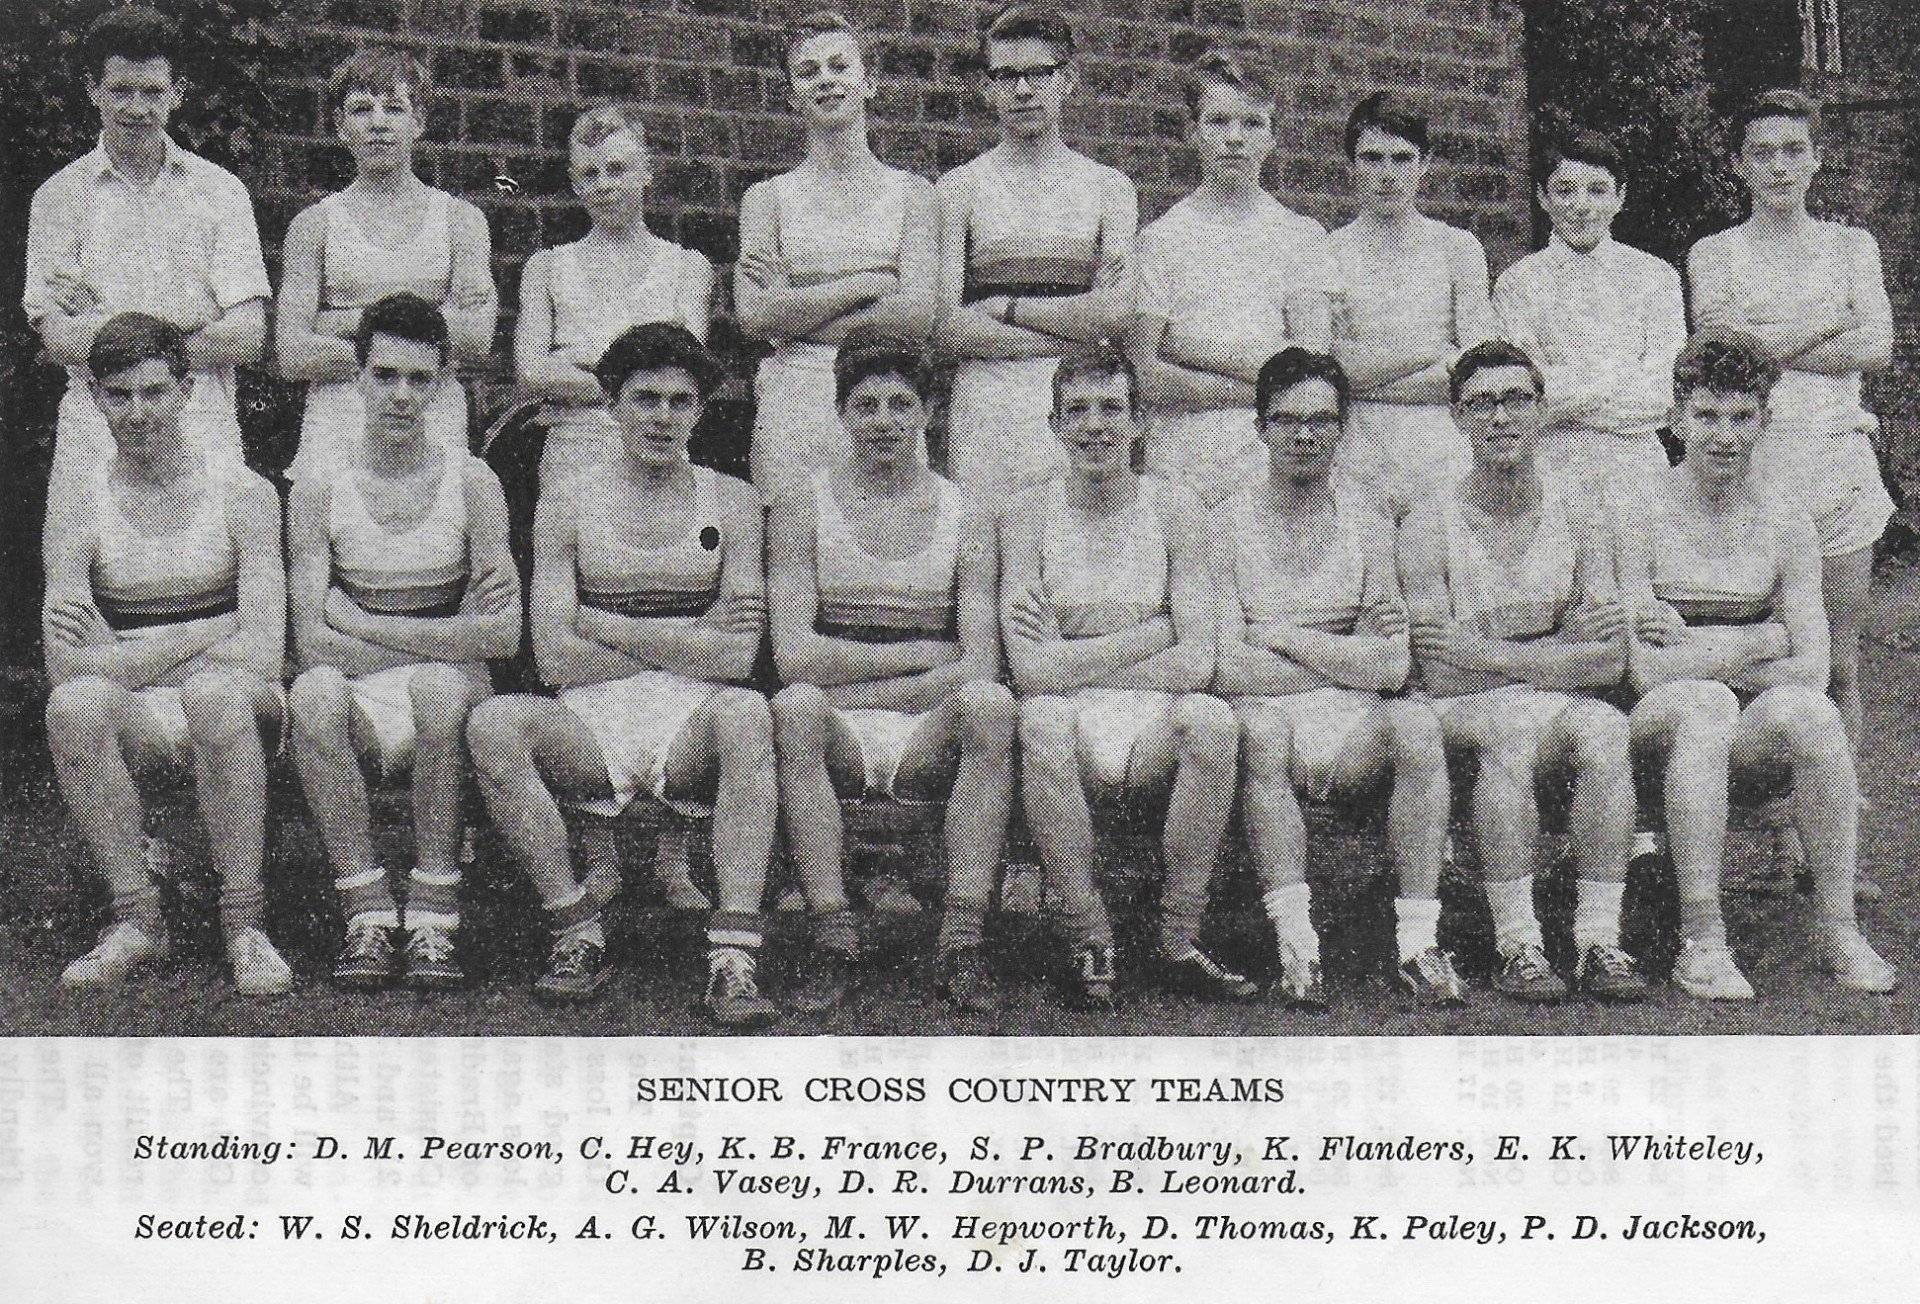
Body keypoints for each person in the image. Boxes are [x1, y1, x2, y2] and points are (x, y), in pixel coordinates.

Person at [465, 324, 778, 1025]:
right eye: (645, 399)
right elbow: (553, 655)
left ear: (700, 411)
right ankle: (575, 930)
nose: (662, 417)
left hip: (693, 721)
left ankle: (733, 958)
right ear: (612, 405)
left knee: (749, 713)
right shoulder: (567, 501)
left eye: (679, 401)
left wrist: (601, 622)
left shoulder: (732, 502)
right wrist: (688, 634)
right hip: (590, 719)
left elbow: (737, 659)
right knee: (494, 723)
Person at [1616, 333, 1897, 997]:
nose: (1724, 436)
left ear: (1766, 420)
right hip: (1648, 738)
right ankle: (1703, 941)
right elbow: (1645, 674)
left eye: (1742, 417)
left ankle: (1839, 929)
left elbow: (1815, 667)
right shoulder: (1638, 512)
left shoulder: (1785, 518)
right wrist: (1763, 639)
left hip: (1740, 731)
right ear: (1676, 417)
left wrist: (1703, 648)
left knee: (1812, 714)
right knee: (1705, 705)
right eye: (1707, 416)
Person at [768, 328, 1016, 1012]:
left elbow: (980, 663)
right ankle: (832, 936)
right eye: (866, 405)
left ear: (928, 413)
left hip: (926, 736)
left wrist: (853, 674)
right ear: (841, 413)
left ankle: (962, 942)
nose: (884, 421)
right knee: (794, 707)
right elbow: (794, 658)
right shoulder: (800, 508)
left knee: (991, 707)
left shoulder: (969, 515)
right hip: (839, 731)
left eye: (901, 404)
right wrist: (921, 657)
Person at [44, 314, 289, 995]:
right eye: (119, 395)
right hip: (148, 711)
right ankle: (138, 919)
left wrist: (122, 652)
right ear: (96, 399)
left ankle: (245, 925)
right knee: (73, 708)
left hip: (242, 708)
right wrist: (211, 630)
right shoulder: (78, 504)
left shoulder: (244, 494)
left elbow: (264, 653)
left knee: (214, 695)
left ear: (187, 391)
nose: (138, 412)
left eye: (154, 392)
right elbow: (65, 666)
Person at [1001, 341, 1248, 1008]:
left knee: (1212, 719)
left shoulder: (1175, 508)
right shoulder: (1026, 514)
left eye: (1111, 409)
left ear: (1139, 422)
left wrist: (1074, 658)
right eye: (1077, 411)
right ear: (1055, 425)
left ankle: (1178, 937)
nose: (1095, 426)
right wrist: (1151, 633)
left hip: (1151, 721)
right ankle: (1089, 937)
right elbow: (1030, 672)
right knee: (1041, 719)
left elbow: (1198, 660)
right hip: (1072, 722)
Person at [1397, 341, 1646, 1003]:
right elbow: (1439, 672)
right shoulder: (1428, 523)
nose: (1501, 417)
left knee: (1606, 731)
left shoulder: (1580, 510)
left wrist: (1487, 652)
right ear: (1458, 417)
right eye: (1482, 403)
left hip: (1537, 697)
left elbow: (1610, 659)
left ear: (1540, 410)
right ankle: (1519, 944)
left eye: (1516, 400)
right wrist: (1558, 646)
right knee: (1508, 730)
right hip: (1459, 711)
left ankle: (1599, 939)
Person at [1213, 349, 1463, 1007]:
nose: (1305, 435)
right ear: (1260, 427)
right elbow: (1228, 665)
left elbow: (1392, 664)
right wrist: (1345, 650)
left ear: (1342, 427)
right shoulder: (1224, 522)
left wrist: (1282, 636)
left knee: (1415, 723)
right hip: (1267, 718)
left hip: (1352, 721)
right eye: (1287, 420)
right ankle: (1297, 946)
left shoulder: (1369, 521)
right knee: (1261, 732)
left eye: (1321, 420)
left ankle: (1418, 944)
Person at [287, 294, 520, 991]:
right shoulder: (319, 486)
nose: (401, 395)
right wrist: (448, 637)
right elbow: (310, 643)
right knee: (314, 692)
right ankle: (364, 909)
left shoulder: (473, 482)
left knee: (439, 686)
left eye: (419, 379)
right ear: (356, 378)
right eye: (385, 375)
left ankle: (433, 913)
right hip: (365, 691)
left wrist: (362, 624)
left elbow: (503, 635)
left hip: (448, 695)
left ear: (442, 384)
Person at [1687, 89, 1894, 754]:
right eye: (1762, 153)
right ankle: (1761, 802)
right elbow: (1723, 358)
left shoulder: (1851, 246)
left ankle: (1838, 806)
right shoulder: (1713, 253)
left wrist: (1767, 340)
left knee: (1839, 656)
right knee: (1763, 651)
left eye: (1793, 151)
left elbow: (1877, 347)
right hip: (1753, 468)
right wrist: (1831, 320)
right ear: (1739, 164)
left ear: (1815, 159)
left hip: (1837, 462)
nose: (1778, 167)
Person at [26, 5, 270, 552]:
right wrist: (189, 324)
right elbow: (59, 340)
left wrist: (109, 329)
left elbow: (248, 335)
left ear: (177, 92)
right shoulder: (58, 199)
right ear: (93, 89)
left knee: (210, 586)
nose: (137, 108)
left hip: (202, 426)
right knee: (89, 593)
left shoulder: (221, 193)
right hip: (95, 433)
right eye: (121, 90)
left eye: (153, 92)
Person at [736, 9, 939, 502]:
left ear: (868, 82)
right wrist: (866, 285)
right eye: (808, 72)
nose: (825, 80)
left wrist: (794, 309)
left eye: (839, 66)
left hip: (884, 400)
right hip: (794, 405)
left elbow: (916, 316)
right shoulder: (767, 199)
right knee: (792, 538)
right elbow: (755, 317)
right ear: (793, 95)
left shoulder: (914, 194)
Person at [936, 4, 1136, 502]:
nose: (1023, 90)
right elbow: (947, 326)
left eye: (1038, 74)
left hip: (1079, 409)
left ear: (1067, 80)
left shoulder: (1109, 189)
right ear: (988, 88)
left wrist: (1004, 308)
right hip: (988, 412)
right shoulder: (959, 189)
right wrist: (1074, 329)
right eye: (1007, 76)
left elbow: (1114, 316)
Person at [276, 47, 497, 483]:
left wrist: (338, 321)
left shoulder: (460, 221)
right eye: (362, 109)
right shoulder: (315, 225)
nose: (378, 123)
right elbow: (293, 353)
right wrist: (426, 323)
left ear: (418, 122)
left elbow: (474, 337)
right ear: (341, 125)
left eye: (394, 108)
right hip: (338, 423)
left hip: (431, 420)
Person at [1129, 49, 1336, 507]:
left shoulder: (1301, 237)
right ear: (1193, 131)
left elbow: (1310, 372)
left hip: (1269, 465)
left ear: (1272, 137)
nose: (1235, 138)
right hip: (1180, 464)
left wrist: (1187, 348)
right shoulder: (1160, 239)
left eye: (1252, 123)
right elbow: (1144, 375)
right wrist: (1263, 387)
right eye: (1218, 122)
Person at [516, 103, 715, 488]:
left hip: (659, 452)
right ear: (576, 183)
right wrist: (637, 373)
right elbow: (530, 374)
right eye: (590, 174)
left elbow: (683, 374)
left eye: (617, 169)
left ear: (646, 172)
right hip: (573, 453)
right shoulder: (546, 268)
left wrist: (575, 364)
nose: (603, 185)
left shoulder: (687, 268)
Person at [1494, 128, 1686, 499]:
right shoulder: (1518, 284)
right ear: (1543, 197)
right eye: (1565, 190)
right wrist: (1620, 377)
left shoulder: (1655, 277)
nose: (1581, 205)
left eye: (1597, 190)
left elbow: (1665, 391)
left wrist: (1567, 388)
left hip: (1637, 468)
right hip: (1551, 467)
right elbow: (1526, 397)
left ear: (1620, 196)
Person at [1328, 93, 1494, 517]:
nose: (1387, 175)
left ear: (1424, 163)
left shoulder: (1457, 249)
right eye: (1372, 158)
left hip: (1441, 450)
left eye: (1402, 159)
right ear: (1351, 165)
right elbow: (1330, 372)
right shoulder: (1328, 251)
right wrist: (1431, 354)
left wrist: (1365, 374)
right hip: (1356, 453)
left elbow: (1477, 373)